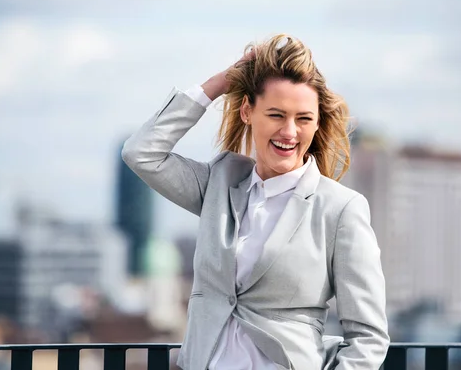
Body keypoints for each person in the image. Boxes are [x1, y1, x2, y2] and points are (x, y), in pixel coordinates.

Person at [122, 34, 389, 370]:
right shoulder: (219, 185)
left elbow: (369, 337)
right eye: (276, 115)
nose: (290, 132)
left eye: (304, 118)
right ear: (248, 111)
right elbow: (141, 153)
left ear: (317, 121)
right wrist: (219, 83)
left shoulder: (340, 209)